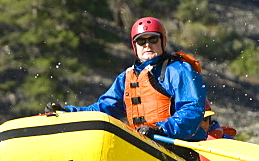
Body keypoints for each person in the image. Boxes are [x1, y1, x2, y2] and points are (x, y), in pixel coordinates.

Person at [48, 17, 208, 149]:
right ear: (134, 46)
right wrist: (68, 112)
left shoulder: (178, 70)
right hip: (142, 146)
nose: (147, 45)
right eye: (141, 41)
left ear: (162, 41)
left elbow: (191, 108)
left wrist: (162, 129)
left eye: (153, 39)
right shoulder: (127, 77)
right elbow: (102, 109)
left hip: (176, 146)